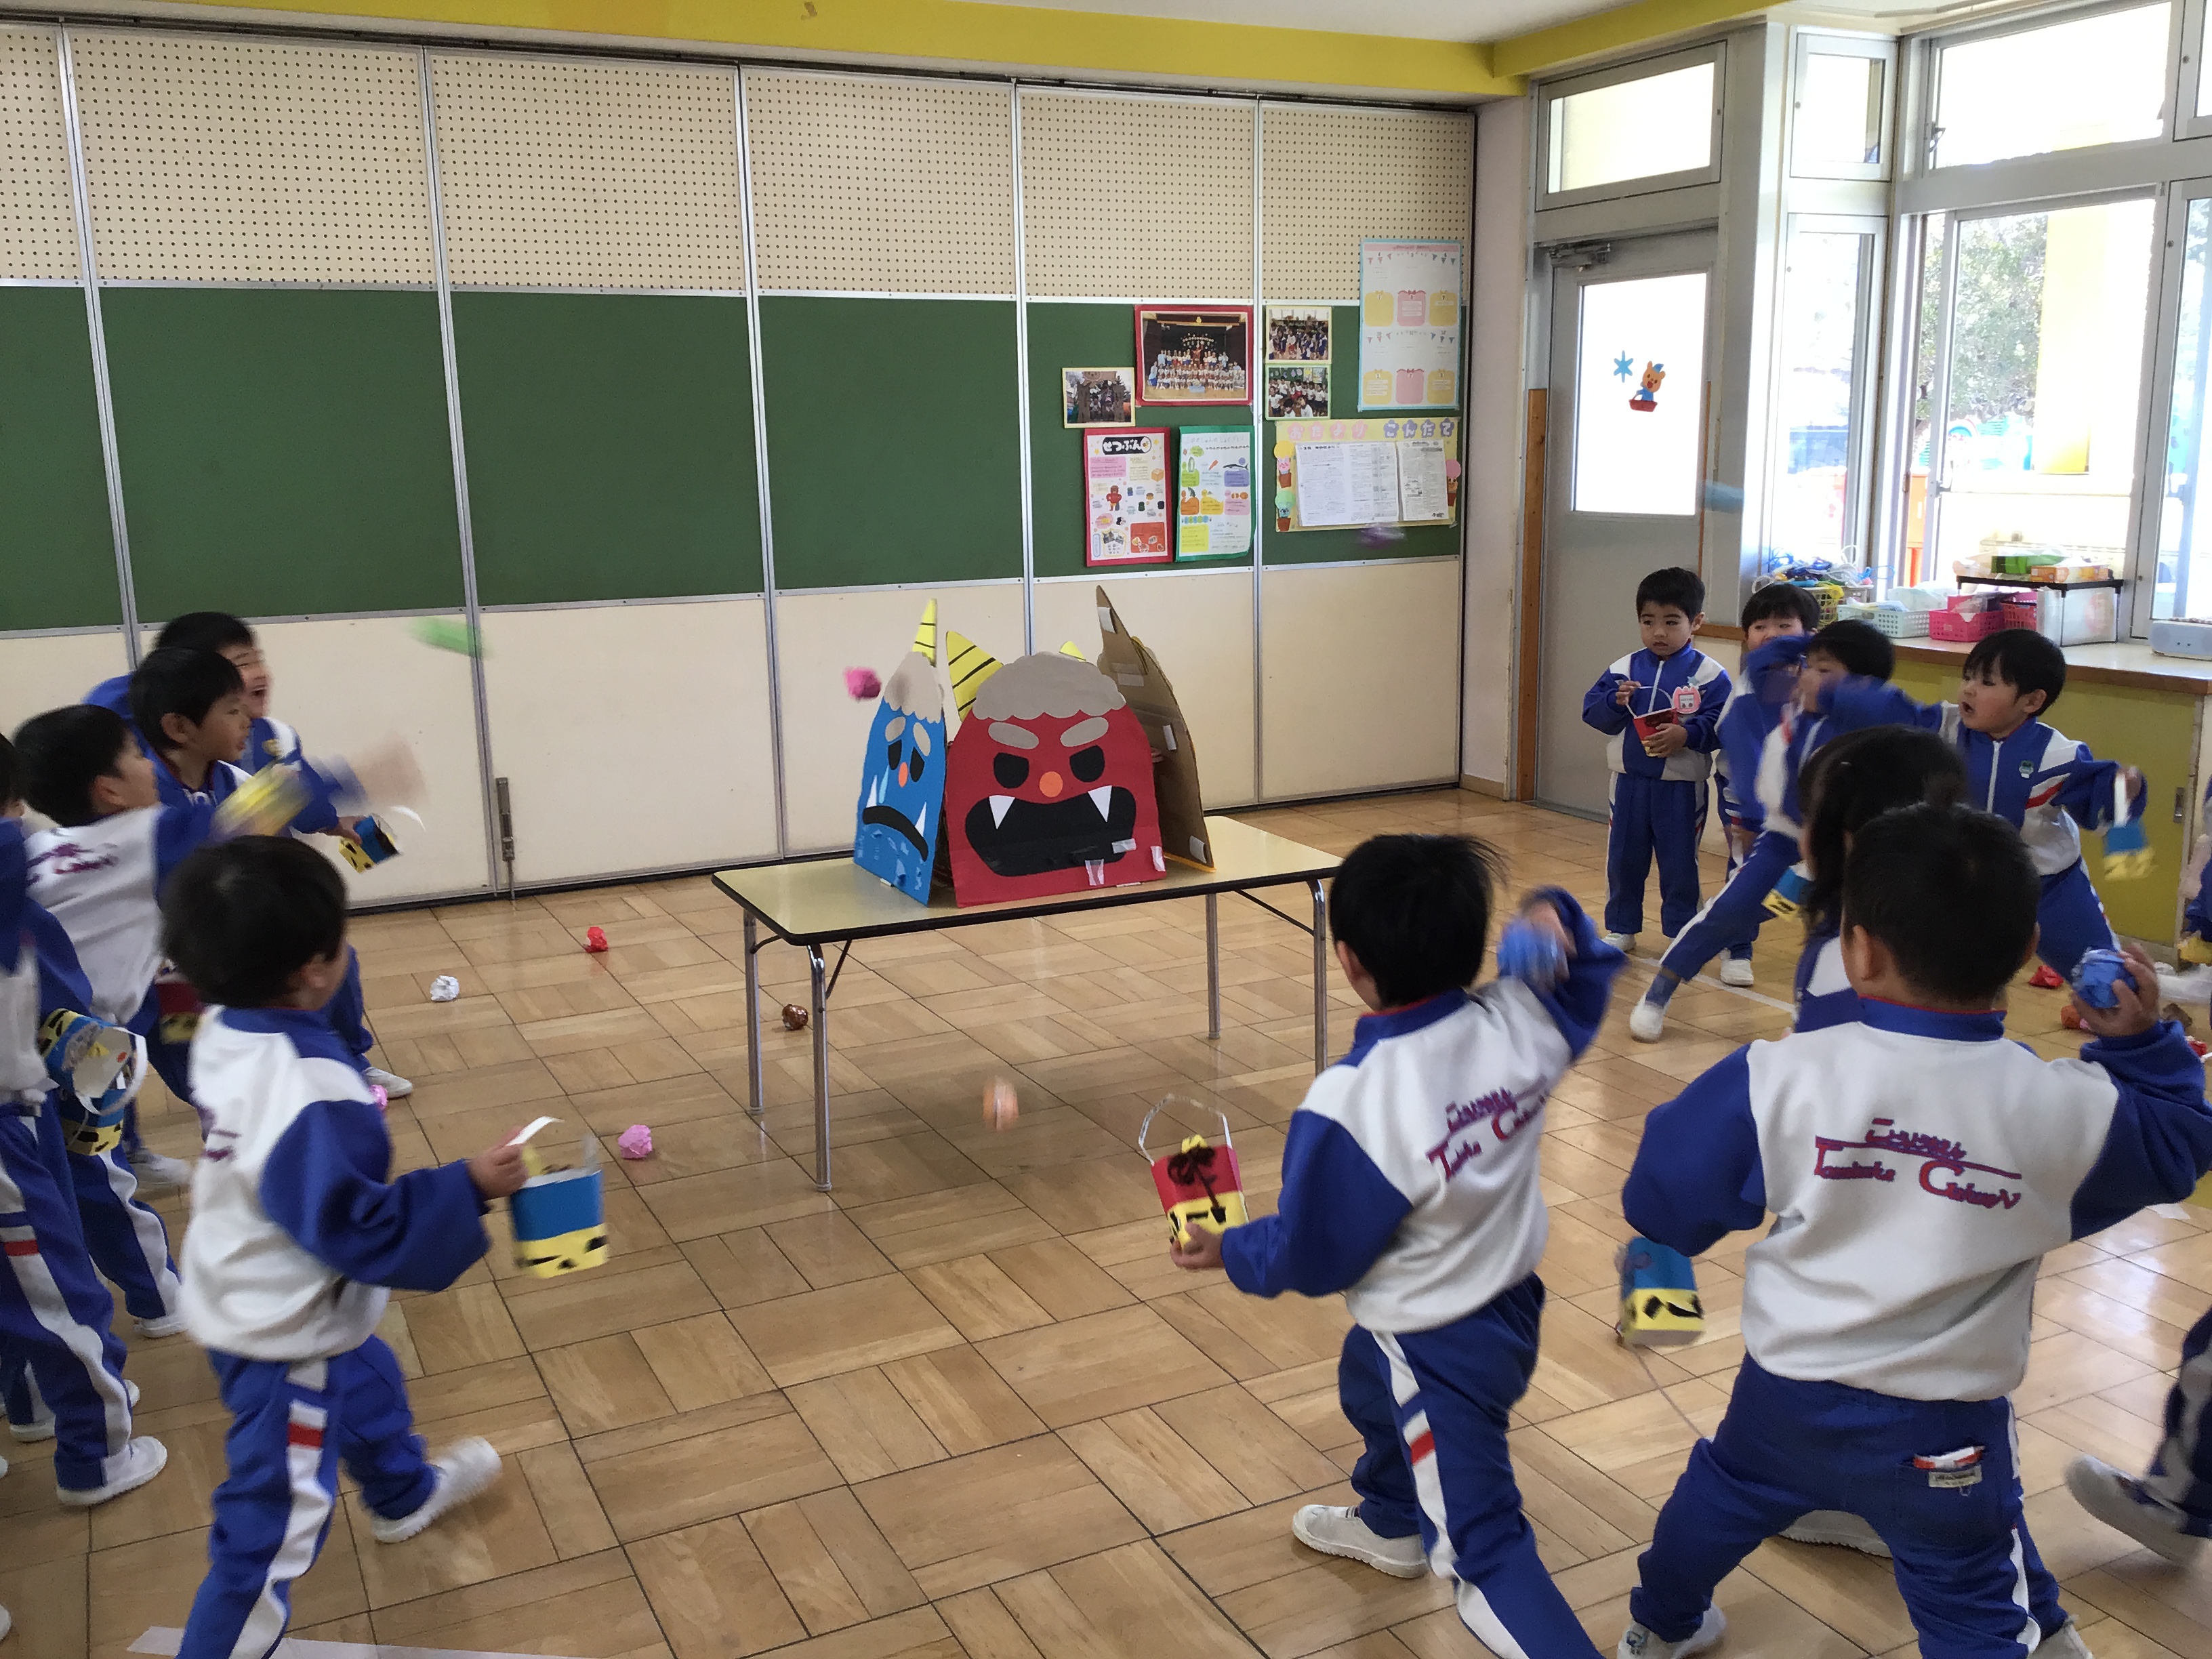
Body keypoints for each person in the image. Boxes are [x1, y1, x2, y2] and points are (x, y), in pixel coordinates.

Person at [1616, 803, 2212, 1659]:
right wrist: (2141, 1046)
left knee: (1716, 1501)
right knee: (1971, 1591)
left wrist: (1663, 1260)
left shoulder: (1780, 1076)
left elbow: (1664, 1192)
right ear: (2026, 951)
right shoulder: (2061, 1108)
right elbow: (2177, 1146)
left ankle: (1658, 1626)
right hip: (1948, 1435)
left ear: (1859, 950)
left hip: (1784, 1400)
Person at [1168, 833, 1626, 1659]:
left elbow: (1318, 1251)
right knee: (1367, 1371)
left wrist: (1232, 1251)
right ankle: (1391, 1519)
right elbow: (1587, 972)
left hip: (1437, 1341)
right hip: (1508, 1300)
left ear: (1348, 960)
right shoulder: (1521, 1019)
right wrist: (1553, 912)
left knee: (1486, 1550)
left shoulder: (1356, 1102)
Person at [163, 836, 520, 1659]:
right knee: (269, 1529)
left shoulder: (221, 1023)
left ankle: (402, 1493)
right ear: (315, 972)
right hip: (281, 1327)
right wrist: (467, 1185)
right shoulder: (312, 1089)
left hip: (241, 1269)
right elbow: (358, 1228)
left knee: (365, 1377)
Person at [12, 703, 374, 1338]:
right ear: (109, 790)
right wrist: (348, 775)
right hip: (86, 1050)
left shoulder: (38, 850)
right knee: (99, 1179)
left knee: (56, 1188)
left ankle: (69, 1319)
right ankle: (161, 1302)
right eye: (135, 756)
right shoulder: (140, 836)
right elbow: (247, 814)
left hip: (26, 1044)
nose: (148, 766)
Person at [90, 614, 410, 1109]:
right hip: (150, 966)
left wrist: (330, 818)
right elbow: (226, 823)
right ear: (180, 724)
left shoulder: (246, 763)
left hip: (224, 937)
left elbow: (270, 807)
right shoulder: (146, 793)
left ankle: (339, 1065)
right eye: (231, 706)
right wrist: (349, 776)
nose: (246, 718)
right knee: (151, 1066)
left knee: (327, 963)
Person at [0, 733, 166, 1511]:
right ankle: (97, 1455)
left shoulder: (30, 881)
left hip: (34, 1098)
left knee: (21, 1287)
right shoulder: (26, 894)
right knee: (60, 1290)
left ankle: (30, 1405)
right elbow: (69, 1030)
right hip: (22, 1117)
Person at [1629, 618, 1895, 1042]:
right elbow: (1759, 665)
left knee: (1835, 937)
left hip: (1843, 855)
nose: (1807, 678)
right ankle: (1659, 992)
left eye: (1825, 671)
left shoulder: (1878, 733)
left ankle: (1815, 1020)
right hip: (1783, 843)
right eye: (1809, 666)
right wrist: (1808, 640)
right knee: (1730, 913)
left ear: (1861, 688)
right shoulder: (1788, 704)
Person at [1582, 569, 1730, 953]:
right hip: (1628, 784)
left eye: (1671, 622)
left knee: (1680, 863)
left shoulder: (1710, 675)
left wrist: (1688, 735)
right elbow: (1592, 712)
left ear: (1696, 622)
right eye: (1648, 622)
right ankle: (1621, 927)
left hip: (1681, 788)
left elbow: (1722, 724)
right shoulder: (1623, 669)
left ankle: (1681, 931)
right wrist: (1614, 702)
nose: (1658, 633)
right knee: (1623, 859)